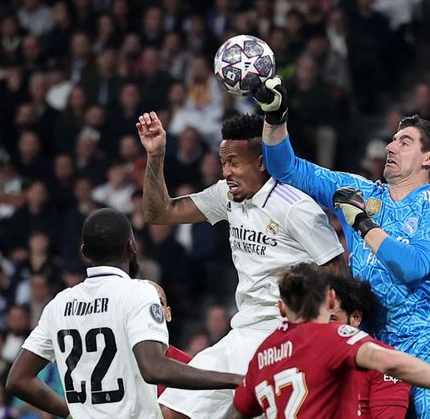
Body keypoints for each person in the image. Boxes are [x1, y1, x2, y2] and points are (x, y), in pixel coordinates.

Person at [254, 77, 430, 418]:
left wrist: (363, 224)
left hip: (425, 349)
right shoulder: (359, 192)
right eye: (393, 140)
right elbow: (287, 169)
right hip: (367, 350)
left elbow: (412, 266)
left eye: (405, 142)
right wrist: (275, 117)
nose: (391, 147)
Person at [136, 112, 345, 419]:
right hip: (244, 330)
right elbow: (160, 212)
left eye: (234, 163)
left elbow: (337, 273)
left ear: (261, 162)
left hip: (285, 331)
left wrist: (331, 339)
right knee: (169, 411)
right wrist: (156, 156)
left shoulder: (295, 207)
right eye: (223, 163)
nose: (226, 172)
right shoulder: (228, 195)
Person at [5, 208, 242, 419]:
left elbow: (18, 380)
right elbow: (153, 368)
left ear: (84, 252)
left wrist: (70, 412)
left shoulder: (59, 304)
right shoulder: (138, 292)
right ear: (131, 246)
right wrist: (234, 379)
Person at [229, 262, 430, 419]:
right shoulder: (331, 338)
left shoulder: (262, 354)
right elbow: (393, 363)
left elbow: (238, 410)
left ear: (281, 309)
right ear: (330, 300)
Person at [329, 274, 411, 418]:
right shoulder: (301, 354)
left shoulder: (384, 362)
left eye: (332, 319)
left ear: (355, 317)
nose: (323, 326)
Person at [144, 280, 193, 400]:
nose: (149, 309)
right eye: (141, 304)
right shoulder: (118, 364)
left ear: (168, 313)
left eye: (157, 302)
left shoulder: (188, 364)